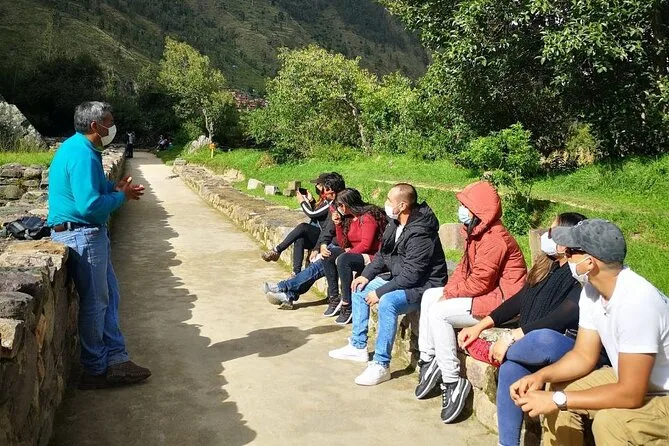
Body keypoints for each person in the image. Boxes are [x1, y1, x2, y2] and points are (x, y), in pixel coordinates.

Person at [511, 219, 669, 446]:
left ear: (589, 262)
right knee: (559, 387)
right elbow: (583, 356)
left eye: (569, 252)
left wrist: (558, 400)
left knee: (611, 422)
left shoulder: (637, 302)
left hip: (662, 393)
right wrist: (539, 377)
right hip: (637, 380)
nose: (564, 256)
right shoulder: (591, 292)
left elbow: (631, 393)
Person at [457, 212, 588, 445]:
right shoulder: (546, 266)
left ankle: (496, 351)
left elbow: (559, 319)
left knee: (543, 339)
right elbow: (519, 300)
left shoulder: (580, 274)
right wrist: (481, 326)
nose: (547, 235)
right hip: (528, 346)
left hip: (564, 345)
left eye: (552, 231)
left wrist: (509, 339)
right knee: (511, 368)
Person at [47, 101, 150, 389]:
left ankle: (116, 359)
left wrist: (115, 189)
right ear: (96, 126)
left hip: (84, 234)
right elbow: (90, 206)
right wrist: (121, 197)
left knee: (109, 296)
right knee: (95, 303)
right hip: (82, 235)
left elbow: (94, 190)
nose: (112, 127)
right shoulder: (82, 154)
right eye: (110, 122)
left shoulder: (81, 149)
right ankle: (95, 369)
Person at [415, 180, 527, 423]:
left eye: (466, 205)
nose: (461, 210)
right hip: (486, 296)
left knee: (440, 313)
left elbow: (481, 283)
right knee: (430, 295)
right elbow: (462, 271)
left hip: (502, 303)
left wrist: (451, 295)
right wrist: (449, 290)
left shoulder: (495, 239)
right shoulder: (476, 233)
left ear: (479, 210)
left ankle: (452, 380)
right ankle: (428, 358)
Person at [329, 183, 448, 386]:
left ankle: (381, 364)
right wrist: (366, 275)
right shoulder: (395, 223)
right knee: (358, 288)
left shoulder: (421, 232)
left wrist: (380, 292)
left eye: (389, 200)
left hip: (425, 285)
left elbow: (412, 275)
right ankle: (358, 346)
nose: (386, 203)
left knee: (388, 303)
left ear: (402, 206)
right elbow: (383, 255)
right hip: (400, 277)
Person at [263, 175, 348, 310]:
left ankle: (283, 287)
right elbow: (328, 228)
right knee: (310, 260)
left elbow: (316, 218)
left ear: (332, 189)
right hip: (330, 243)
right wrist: (319, 246)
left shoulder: (338, 204)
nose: (321, 190)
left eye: (323, 187)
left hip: (340, 247)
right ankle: (289, 293)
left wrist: (303, 202)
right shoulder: (332, 204)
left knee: (314, 267)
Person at [322, 188, 387, 324]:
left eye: (340, 205)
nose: (339, 208)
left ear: (347, 204)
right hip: (356, 252)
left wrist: (348, 253)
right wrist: (338, 224)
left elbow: (366, 245)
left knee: (343, 259)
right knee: (329, 254)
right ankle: (334, 297)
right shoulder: (349, 218)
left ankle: (347, 303)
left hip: (372, 256)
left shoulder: (368, 218)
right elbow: (343, 243)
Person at [261, 173, 333, 275]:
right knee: (299, 238)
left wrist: (302, 202)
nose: (316, 186)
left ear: (324, 186)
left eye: (317, 184)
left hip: (325, 236)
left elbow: (312, 214)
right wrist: (311, 201)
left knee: (303, 227)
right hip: (319, 233)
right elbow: (318, 215)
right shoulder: (323, 200)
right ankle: (296, 273)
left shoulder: (330, 202)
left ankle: (277, 250)